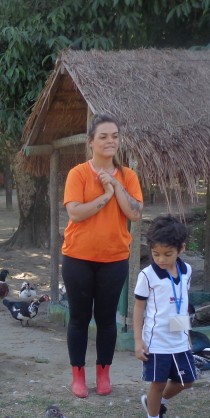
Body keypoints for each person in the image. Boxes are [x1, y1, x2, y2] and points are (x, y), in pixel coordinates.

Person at [61, 113, 143, 398]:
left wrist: (116, 184)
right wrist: (106, 196)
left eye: (115, 136)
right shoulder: (78, 174)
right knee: (79, 318)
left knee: (107, 319)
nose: (110, 141)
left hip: (114, 259)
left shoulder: (128, 176)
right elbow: (75, 213)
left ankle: (104, 374)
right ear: (91, 141)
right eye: (104, 136)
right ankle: (78, 376)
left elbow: (135, 212)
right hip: (78, 258)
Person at [133, 215, 196, 418]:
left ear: (181, 249)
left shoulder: (187, 271)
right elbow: (139, 308)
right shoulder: (147, 276)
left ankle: (156, 404)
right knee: (158, 382)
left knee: (187, 381)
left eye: (167, 254)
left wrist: (187, 335)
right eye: (155, 253)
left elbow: (182, 303)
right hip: (156, 342)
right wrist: (138, 340)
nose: (161, 259)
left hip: (179, 340)